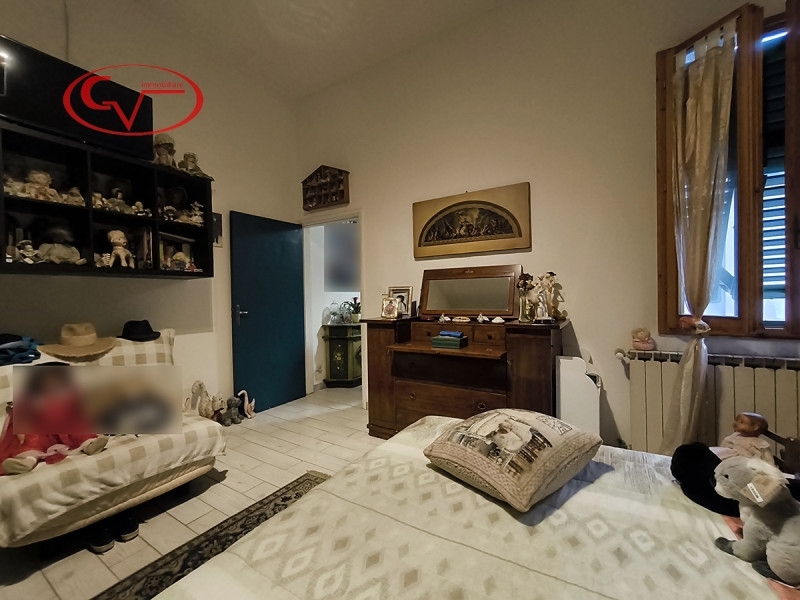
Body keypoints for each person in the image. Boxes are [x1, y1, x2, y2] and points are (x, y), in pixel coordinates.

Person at [671, 412, 800, 516]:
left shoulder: (691, 488)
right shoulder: (715, 479)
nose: (736, 423)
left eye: (742, 421)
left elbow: (767, 465)